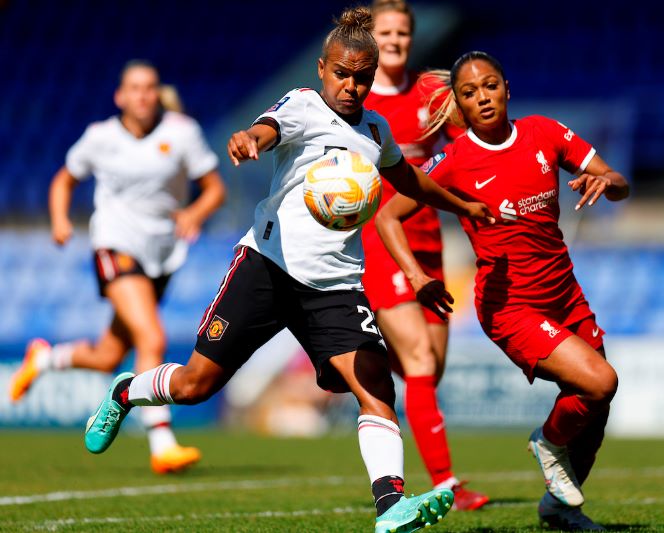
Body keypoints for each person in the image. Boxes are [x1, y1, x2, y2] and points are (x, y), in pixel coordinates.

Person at [82, 9, 493, 533]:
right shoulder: (304, 105)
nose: (352, 85)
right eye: (342, 74)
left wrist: (463, 205)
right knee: (193, 386)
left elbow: (409, 180)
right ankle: (125, 392)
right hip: (267, 270)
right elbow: (269, 127)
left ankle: (391, 505)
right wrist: (249, 139)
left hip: (335, 286)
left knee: (376, 389)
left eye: (362, 77)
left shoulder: (374, 129)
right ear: (322, 68)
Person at [375, 51, 629, 531]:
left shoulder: (545, 132)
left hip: (565, 292)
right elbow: (388, 216)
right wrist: (416, 276)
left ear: (506, 88)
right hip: (509, 305)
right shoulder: (453, 161)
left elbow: (618, 181)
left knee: (594, 409)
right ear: (459, 106)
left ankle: (560, 508)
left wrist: (607, 182)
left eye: (489, 86)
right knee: (600, 381)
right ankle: (548, 443)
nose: (482, 98)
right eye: (469, 93)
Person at [8, 60, 226, 475]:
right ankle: (162, 444)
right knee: (151, 335)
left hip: (162, 253)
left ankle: (44, 360)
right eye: (134, 88)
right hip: (114, 242)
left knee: (109, 355)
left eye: (149, 88)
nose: (142, 95)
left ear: (156, 93)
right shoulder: (100, 137)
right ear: (120, 96)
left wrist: (195, 212)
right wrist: (58, 220)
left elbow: (215, 188)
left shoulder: (182, 132)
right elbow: (63, 180)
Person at [360, 0, 489, 511]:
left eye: (402, 33)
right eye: (385, 32)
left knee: (428, 369)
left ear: (412, 38)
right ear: (372, 37)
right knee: (417, 359)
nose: (394, 40)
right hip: (378, 237)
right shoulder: (355, 95)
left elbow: (469, 150)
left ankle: (360, 365)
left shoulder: (434, 92)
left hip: (429, 238)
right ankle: (446, 485)